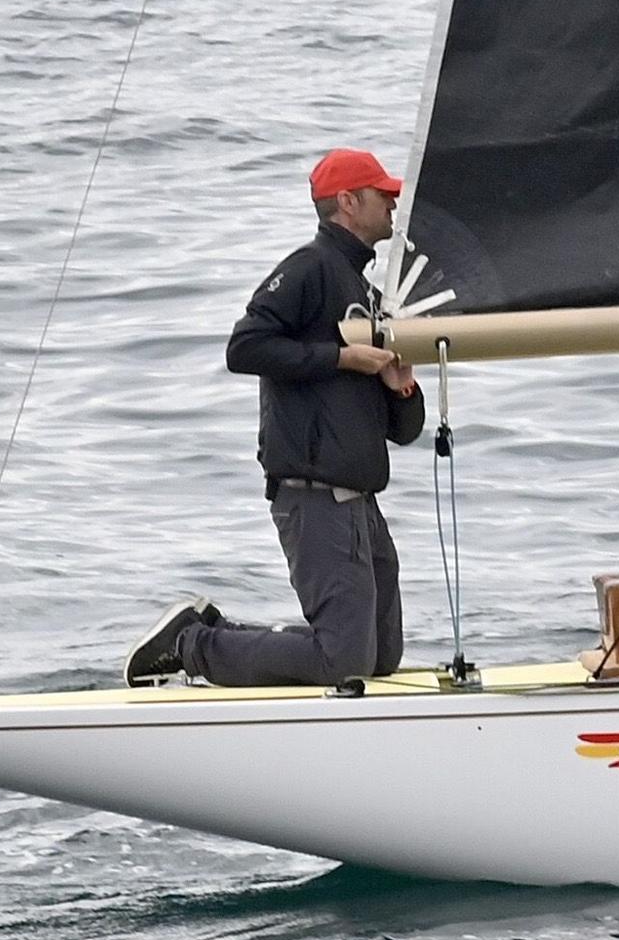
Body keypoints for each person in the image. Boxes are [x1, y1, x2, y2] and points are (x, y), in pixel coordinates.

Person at [124, 148, 427, 686]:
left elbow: (404, 433)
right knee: (345, 663)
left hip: (361, 502)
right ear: (348, 202)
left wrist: (401, 391)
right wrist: (340, 357)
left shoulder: (368, 292)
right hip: (314, 494)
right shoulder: (309, 268)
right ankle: (189, 644)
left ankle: (217, 630)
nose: (394, 205)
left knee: (380, 658)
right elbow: (245, 347)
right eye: (385, 195)